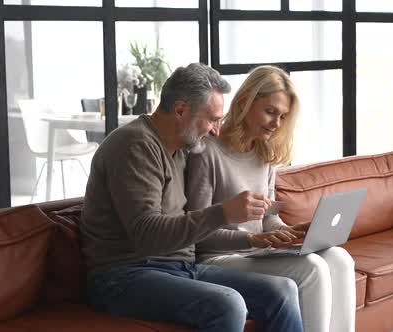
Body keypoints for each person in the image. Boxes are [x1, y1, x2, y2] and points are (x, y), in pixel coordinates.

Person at [80, 63, 303, 332]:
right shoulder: (134, 145)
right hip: (123, 276)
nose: (216, 131)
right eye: (211, 119)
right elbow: (147, 235)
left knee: (282, 291)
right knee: (228, 304)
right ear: (180, 110)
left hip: (178, 266)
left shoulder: (179, 149)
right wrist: (223, 213)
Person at [186, 65, 357, 332]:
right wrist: (252, 239)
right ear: (245, 102)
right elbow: (196, 232)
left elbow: (269, 217)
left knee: (340, 258)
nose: (276, 123)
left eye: (282, 116)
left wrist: (288, 232)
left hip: (257, 252)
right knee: (312, 268)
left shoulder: (264, 154)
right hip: (217, 258)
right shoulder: (207, 152)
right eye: (270, 112)